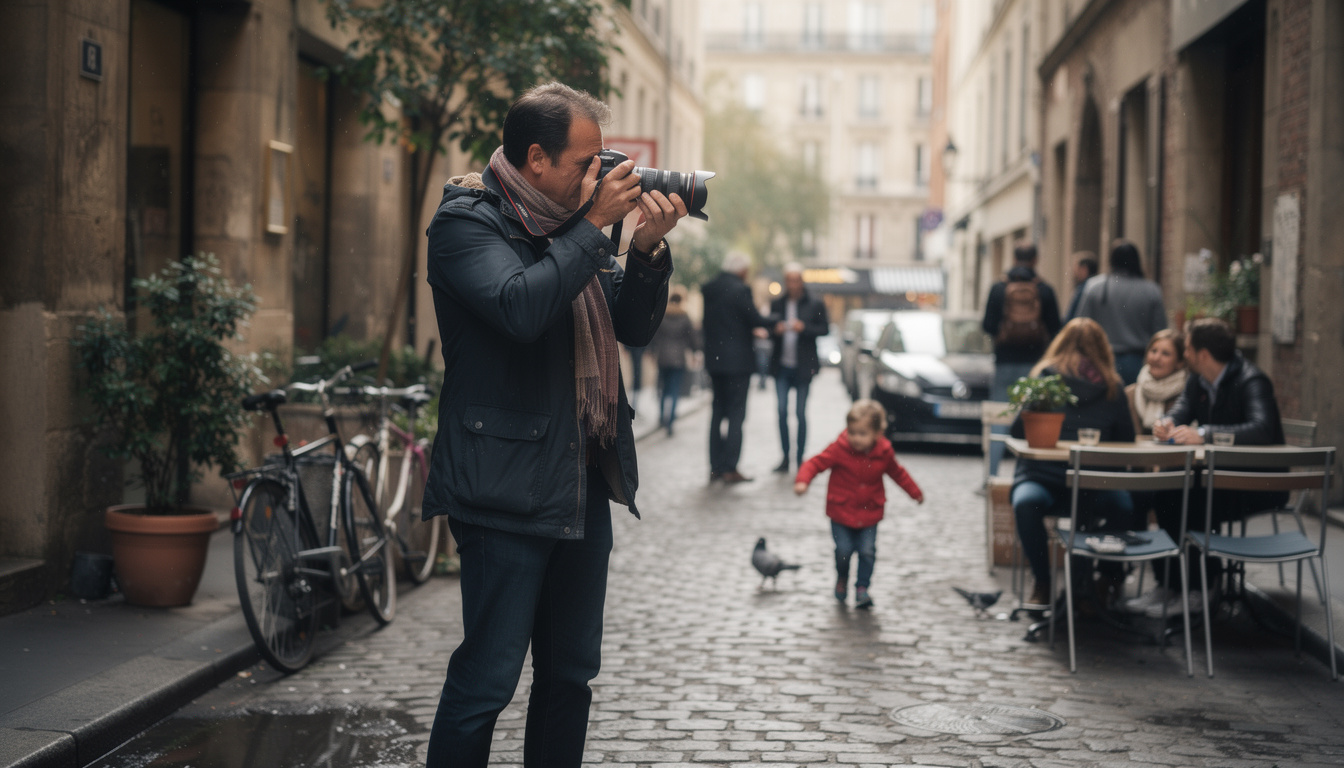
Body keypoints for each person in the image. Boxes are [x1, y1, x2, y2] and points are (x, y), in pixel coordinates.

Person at [422, 82, 688, 767]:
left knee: (570, 676)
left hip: (579, 481)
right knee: (487, 681)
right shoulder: (466, 224)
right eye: (585, 162)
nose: (597, 174)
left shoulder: (574, 227)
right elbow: (520, 308)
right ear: (536, 158)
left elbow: (630, 326)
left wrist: (645, 251)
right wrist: (592, 227)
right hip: (503, 489)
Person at [1125, 318, 1287, 618]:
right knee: (1164, 492)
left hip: (1258, 484)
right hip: (1217, 478)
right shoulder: (1197, 380)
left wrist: (1204, 434)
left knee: (1190, 499)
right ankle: (1170, 586)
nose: (1184, 354)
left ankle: (1202, 588)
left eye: (1187, 348)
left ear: (1202, 354)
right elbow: (1181, 411)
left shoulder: (1251, 380)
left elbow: (1262, 429)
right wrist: (1167, 424)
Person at [1009, 318, 1137, 607]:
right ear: (1102, 349)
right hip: (1095, 482)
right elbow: (1126, 439)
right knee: (1122, 508)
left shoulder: (1044, 379)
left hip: (1042, 479)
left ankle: (1042, 582)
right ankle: (1102, 581)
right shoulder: (1112, 386)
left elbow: (1018, 430)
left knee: (1025, 504)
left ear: (1061, 344)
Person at [793, 399, 924, 609]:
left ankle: (862, 588)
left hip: (869, 513)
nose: (855, 438)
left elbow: (898, 473)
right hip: (841, 513)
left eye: (862, 433)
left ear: (877, 434)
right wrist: (802, 480)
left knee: (867, 552)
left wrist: (914, 492)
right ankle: (842, 577)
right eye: (852, 432)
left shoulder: (884, 453)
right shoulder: (839, 449)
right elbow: (815, 463)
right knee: (843, 551)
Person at [982, 242, 1063, 478]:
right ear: (1035, 260)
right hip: (1034, 365)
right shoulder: (1044, 290)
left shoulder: (999, 288)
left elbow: (987, 325)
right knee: (1033, 420)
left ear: (1014, 258)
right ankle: (1027, 475)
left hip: (1004, 362)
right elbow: (1056, 327)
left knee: (999, 418)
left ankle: (992, 477)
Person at [701, 250, 773, 484]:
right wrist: (776, 321)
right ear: (742, 270)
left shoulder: (710, 288)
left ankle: (715, 467)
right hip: (738, 363)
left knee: (717, 413)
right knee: (735, 414)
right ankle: (730, 468)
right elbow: (755, 319)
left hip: (715, 361)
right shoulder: (740, 290)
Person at [1074, 239, 1167, 385]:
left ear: (1111, 260)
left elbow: (1081, 327)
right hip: (1138, 363)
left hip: (1100, 361)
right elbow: (1160, 331)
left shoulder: (1094, 287)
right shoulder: (1152, 290)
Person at [768, 263, 830, 473]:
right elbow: (769, 328)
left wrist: (804, 328)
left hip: (804, 367)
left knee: (800, 413)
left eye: (796, 280)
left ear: (802, 281)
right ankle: (785, 457)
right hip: (781, 366)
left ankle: (800, 458)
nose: (793, 284)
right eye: (789, 280)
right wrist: (774, 330)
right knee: (781, 411)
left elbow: (824, 329)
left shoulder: (815, 303)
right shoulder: (778, 303)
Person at [646, 291, 699, 436]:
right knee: (675, 390)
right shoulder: (684, 316)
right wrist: (695, 351)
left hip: (663, 357)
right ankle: (670, 422)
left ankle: (662, 417)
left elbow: (654, 334)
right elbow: (692, 337)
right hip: (678, 359)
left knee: (663, 389)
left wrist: (651, 351)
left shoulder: (662, 315)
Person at [1125, 329, 1189, 436]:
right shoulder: (1129, 394)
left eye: (1165, 354)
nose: (1156, 358)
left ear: (1180, 362)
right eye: (1153, 351)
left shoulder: (1187, 394)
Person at [1063, 251, 1099, 322]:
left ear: (1084, 269)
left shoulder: (1084, 289)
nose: (1074, 272)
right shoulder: (1099, 289)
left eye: (1076, 268)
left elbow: (1072, 316)